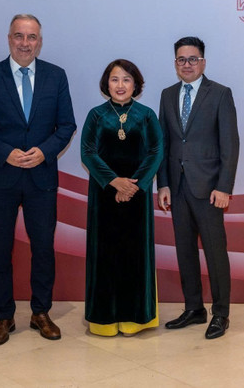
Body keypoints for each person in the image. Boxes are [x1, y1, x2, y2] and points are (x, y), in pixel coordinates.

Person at [0, 14, 76, 346]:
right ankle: (4, 316)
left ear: (40, 41)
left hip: (41, 177)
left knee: (43, 248)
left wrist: (44, 152)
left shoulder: (56, 76)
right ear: (9, 38)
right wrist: (5, 153)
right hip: (2, 176)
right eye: (19, 36)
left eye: (32, 37)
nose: (25, 43)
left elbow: (67, 126)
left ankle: (40, 312)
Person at [157, 37, 239, 339]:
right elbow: (162, 144)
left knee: (216, 253)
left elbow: (231, 144)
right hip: (176, 188)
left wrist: (224, 186)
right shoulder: (167, 95)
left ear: (203, 62)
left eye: (193, 59)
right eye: (181, 59)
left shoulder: (219, 94)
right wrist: (162, 183)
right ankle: (194, 308)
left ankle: (220, 313)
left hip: (209, 189)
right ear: (175, 63)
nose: (187, 64)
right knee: (185, 251)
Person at [81, 59, 163, 336]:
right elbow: (88, 153)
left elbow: (155, 152)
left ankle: (135, 319)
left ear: (136, 84)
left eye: (126, 79)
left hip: (137, 198)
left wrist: (133, 187)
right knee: (104, 255)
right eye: (115, 79)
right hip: (104, 196)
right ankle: (104, 320)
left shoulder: (147, 115)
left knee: (134, 256)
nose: (120, 85)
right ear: (106, 83)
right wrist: (115, 182)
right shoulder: (95, 115)